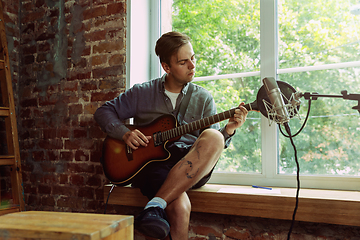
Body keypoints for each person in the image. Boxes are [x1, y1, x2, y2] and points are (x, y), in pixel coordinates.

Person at [94, 31, 248, 240]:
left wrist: (229, 130)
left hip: (190, 164)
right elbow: (103, 112)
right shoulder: (141, 93)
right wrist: (124, 134)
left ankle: (153, 205)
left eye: (192, 58)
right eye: (183, 62)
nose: (192, 66)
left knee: (215, 136)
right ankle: (156, 206)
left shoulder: (203, 98)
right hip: (152, 165)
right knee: (181, 207)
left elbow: (209, 148)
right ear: (167, 67)